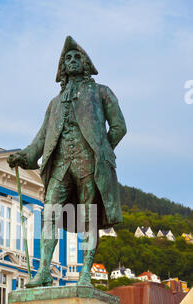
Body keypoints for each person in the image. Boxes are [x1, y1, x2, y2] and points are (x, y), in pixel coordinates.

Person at [8, 36, 127, 288]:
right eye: (67, 58)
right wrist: (25, 155)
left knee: (89, 217)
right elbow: (41, 138)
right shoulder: (54, 103)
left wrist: (102, 150)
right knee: (50, 213)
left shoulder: (100, 92)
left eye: (77, 57)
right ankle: (44, 271)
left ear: (85, 63)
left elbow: (118, 127)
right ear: (62, 67)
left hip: (89, 164)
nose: (72, 60)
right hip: (61, 165)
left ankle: (85, 272)